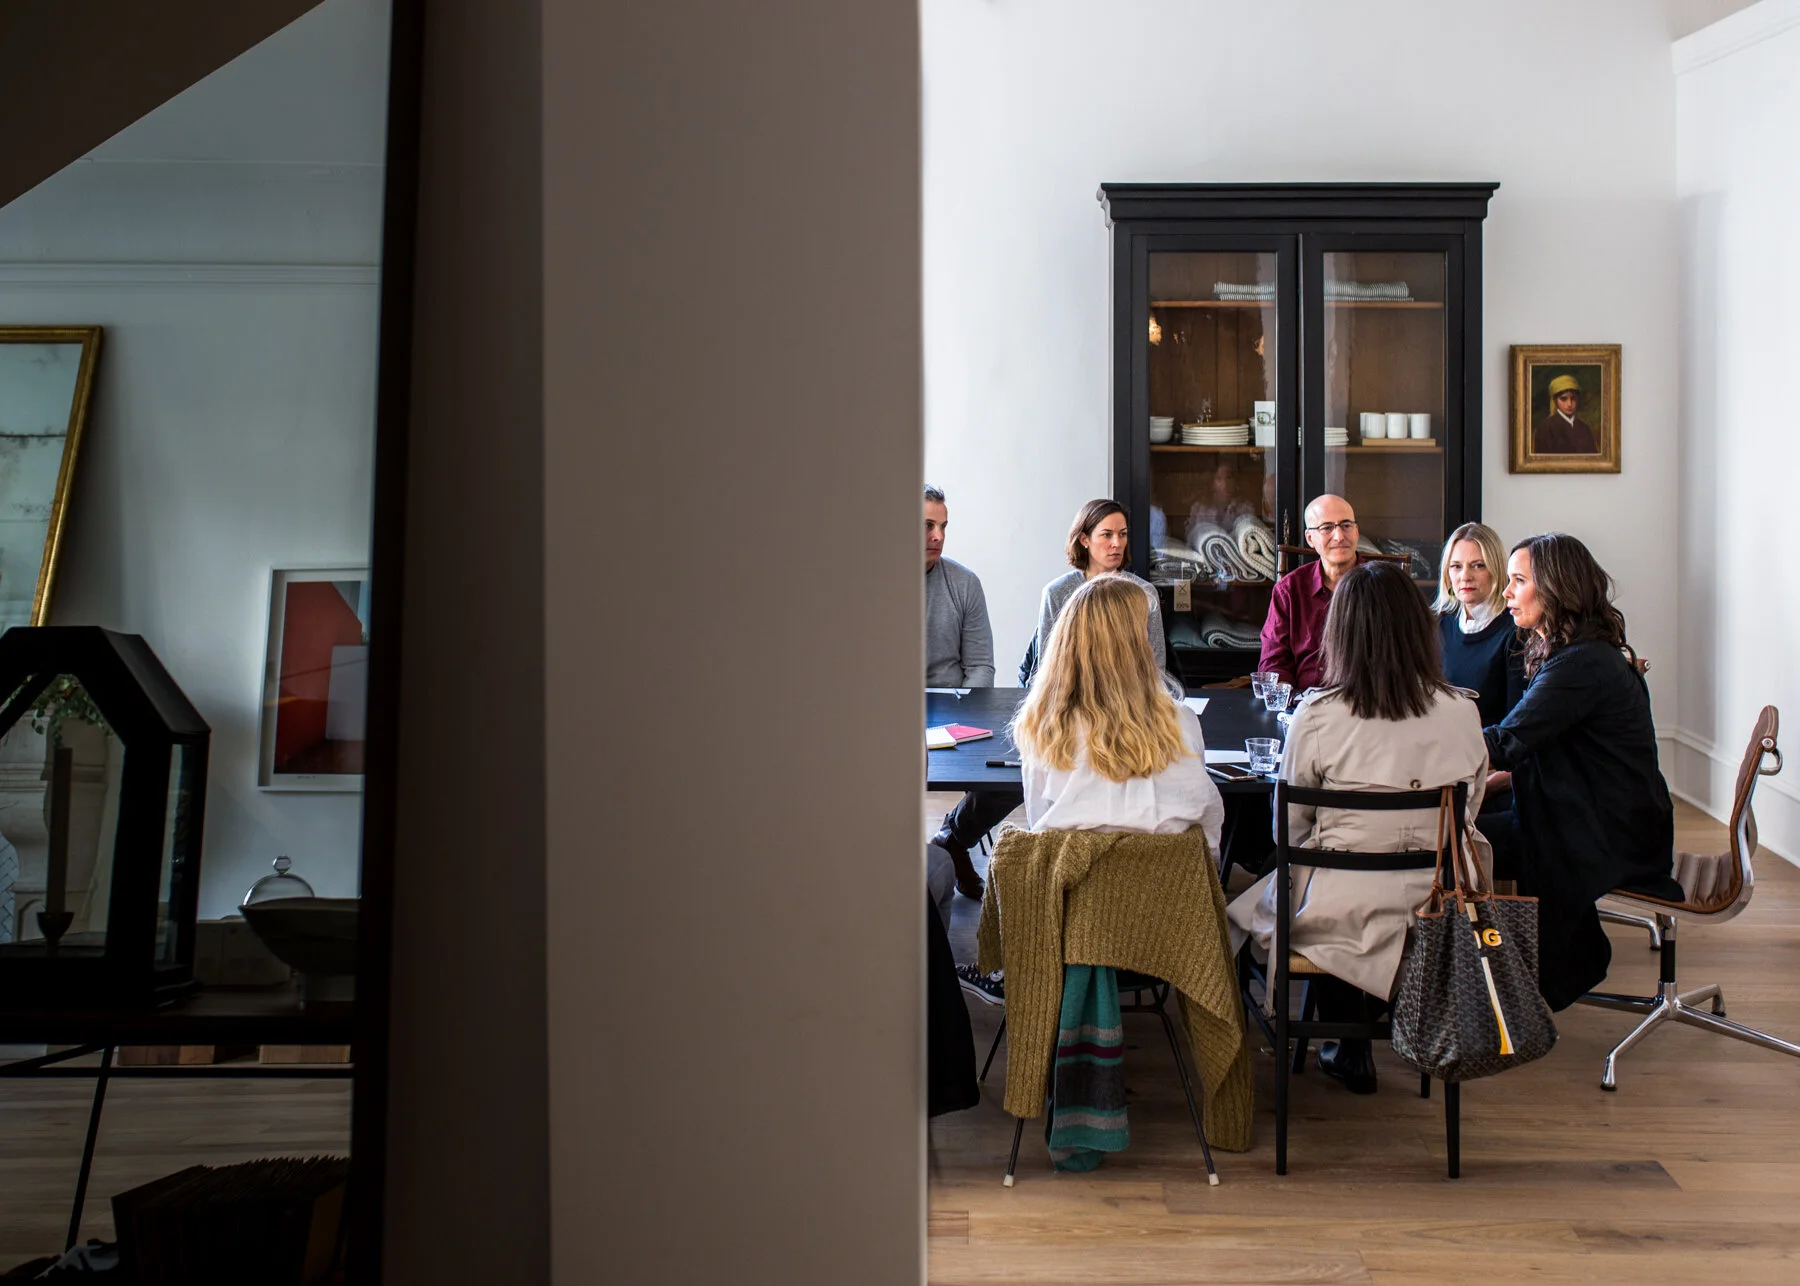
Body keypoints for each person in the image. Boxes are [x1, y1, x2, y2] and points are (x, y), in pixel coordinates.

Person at [1229, 561, 1491, 1095]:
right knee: (1367, 891)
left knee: (1306, 888)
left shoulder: (1319, 716)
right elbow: (1470, 809)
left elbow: (1289, 827)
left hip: (1340, 906)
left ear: (1341, 632)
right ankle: (1399, 1018)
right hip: (1440, 902)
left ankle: (1342, 1042)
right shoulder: (1461, 712)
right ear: (1419, 630)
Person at [956, 574, 1221, 1006]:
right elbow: (1209, 828)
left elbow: (1042, 823)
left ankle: (1010, 975)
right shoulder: (1181, 721)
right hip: (1169, 920)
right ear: (1135, 644)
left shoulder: (1043, 728)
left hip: (1074, 927)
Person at [1480, 534, 1680, 1011]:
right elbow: (1538, 747)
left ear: (1555, 589)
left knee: (1461, 846)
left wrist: (1415, 739)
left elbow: (1505, 742)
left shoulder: (1580, 665)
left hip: (1610, 834)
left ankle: (1508, 988)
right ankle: (1516, 977)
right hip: (1610, 816)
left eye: (1518, 581)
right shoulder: (1580, 652)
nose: (1506, 592)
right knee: (1472, 833)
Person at [923, 484, 1012, 900]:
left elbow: (981, 666)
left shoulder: (964, 583)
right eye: (926, 525)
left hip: (952, 713)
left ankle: (955, 837)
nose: (937, 535)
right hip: (885, 715)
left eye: (942, 526)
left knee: (1016, 768)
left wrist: (961, 713)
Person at [1033, 500, 1167, 675]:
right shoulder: (1057, 592)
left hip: (1133, 696)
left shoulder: (1144, 592)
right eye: (1107, 535)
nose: (1117, 543)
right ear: (1084, 539)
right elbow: (1047, 667)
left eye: (1123, 534)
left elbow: (1157, 668)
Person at [1257, 493, 1365, 691]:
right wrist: (1289, 704)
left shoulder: (1383, 586)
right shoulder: (1289, 590)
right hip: (1305, 703)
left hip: (1368, 703)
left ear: (1356, 531)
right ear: (1310, 538)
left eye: (1346, 525)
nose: (1339, 536)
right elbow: (1274, 662)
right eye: (1327, 528)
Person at [1435, 521, 1525, 728]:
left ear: (1496, 569)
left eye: (1478, 565)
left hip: (1491, 752)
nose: (1465, 576)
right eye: (1456, 566)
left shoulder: (1515, 632)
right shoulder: (1441, 625)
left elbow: (1515, 722)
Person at [1533, 374, 1599, 455]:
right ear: (1555, 400)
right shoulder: (1545, 429)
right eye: (1563, 399)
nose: (1569, 404)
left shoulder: (1585, 429)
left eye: (1573, 398)